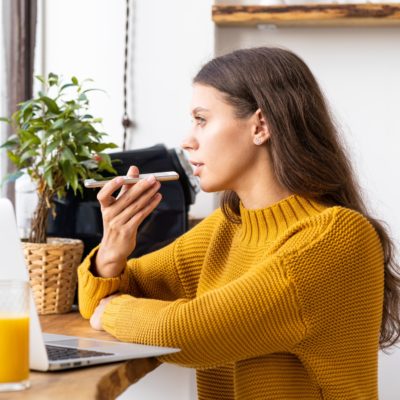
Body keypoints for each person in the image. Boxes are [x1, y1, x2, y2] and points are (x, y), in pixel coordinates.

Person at [78, 47, 400, 399]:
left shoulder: (339, 238)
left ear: (260, 126)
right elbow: (98, 301)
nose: (187, 140)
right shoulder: (227, 228)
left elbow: (190, 334)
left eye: (201, 119)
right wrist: (111, 252)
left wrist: (113, 310)